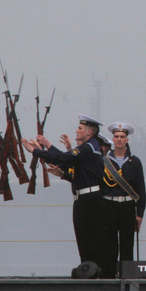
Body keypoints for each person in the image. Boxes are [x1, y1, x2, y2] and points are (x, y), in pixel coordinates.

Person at [23, 114, 110, 277]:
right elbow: (67, 160)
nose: (76, 131)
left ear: (89, 132)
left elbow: (65, 158)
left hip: (90, 200)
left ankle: (94, 274)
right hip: (83, 199)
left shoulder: (88, 147)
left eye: (80, 129)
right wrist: (47, 146)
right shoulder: (89, 147)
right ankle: (89, 273)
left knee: (90, 241)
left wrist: (35, 151)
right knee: (84, 240)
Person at [101, 122, 146, 278]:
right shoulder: (104, 161)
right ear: (113, 139)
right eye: (116, 137)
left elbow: (141, 189)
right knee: (109, 245)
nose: (119, 139)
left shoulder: (135, 162)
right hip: (108, 205)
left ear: (127, 139)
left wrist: (139, 213)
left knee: (127, 244)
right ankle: (108, 277)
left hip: (127, 205)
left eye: (122, 137)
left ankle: (128, 278)